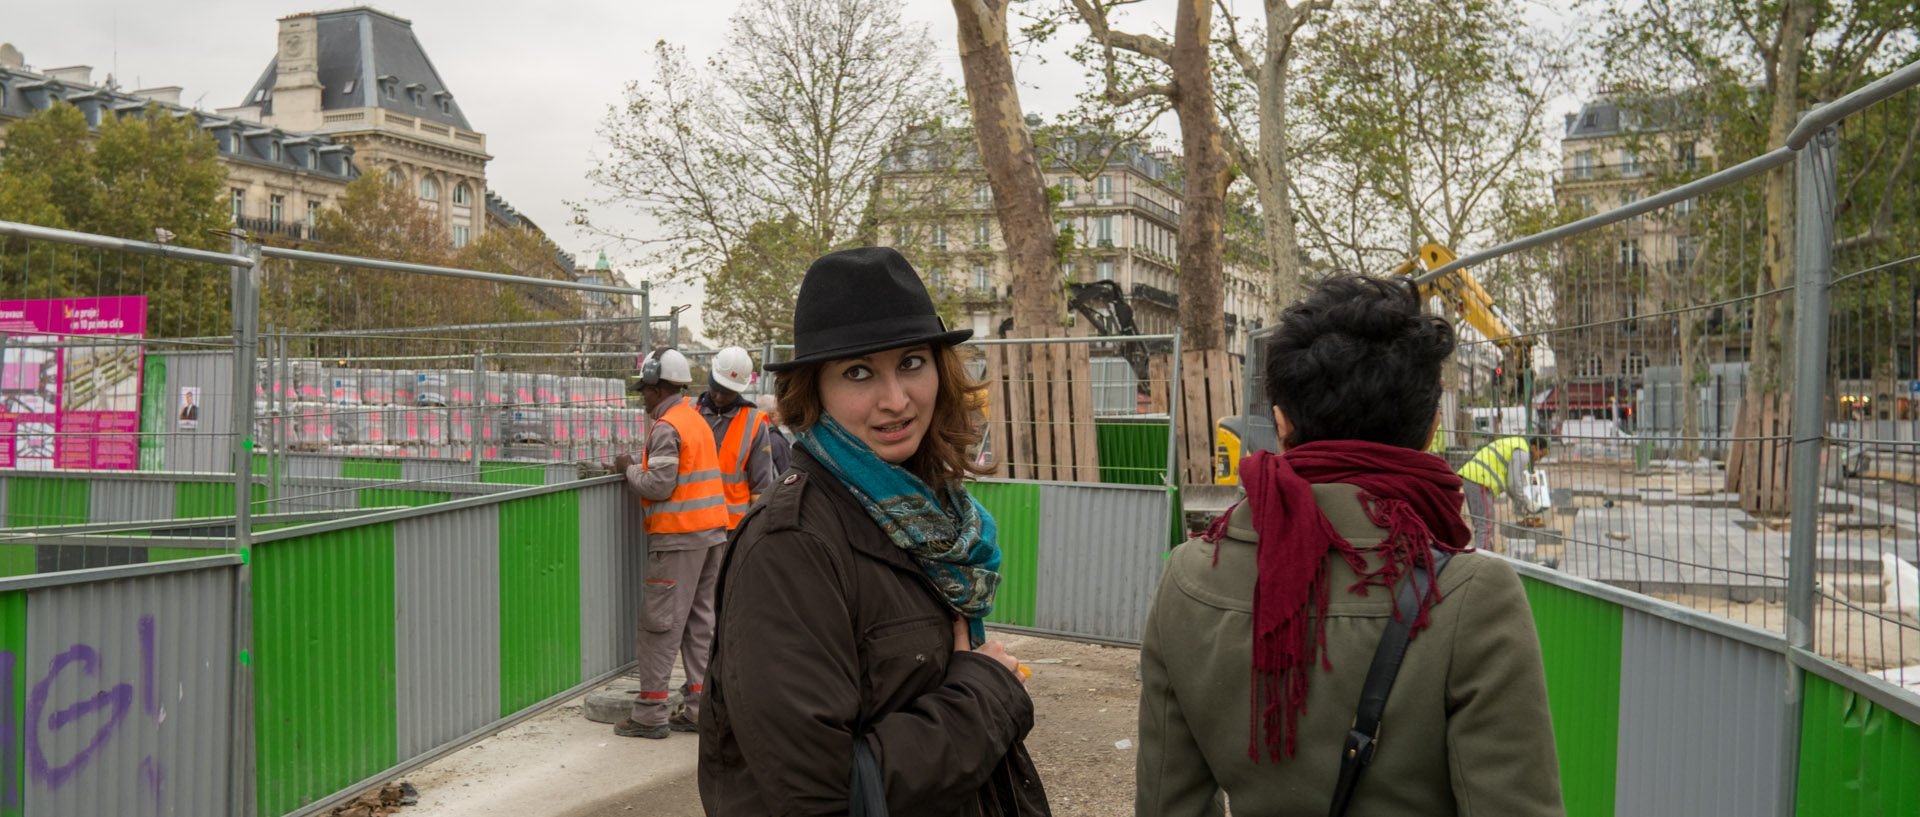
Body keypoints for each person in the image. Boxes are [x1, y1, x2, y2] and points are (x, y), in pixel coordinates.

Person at [1136, 275, 1563, 816]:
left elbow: (1165, 803)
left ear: (1282, 422)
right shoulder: (1474, 595)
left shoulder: (1186, 577)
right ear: (1432, 427)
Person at [698, 247, 1049, 816]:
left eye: (911, 362)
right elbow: (820, 794)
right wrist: (984, 694)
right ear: (815, 391)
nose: (896, 399)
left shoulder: (922, 517)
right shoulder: (791, 548)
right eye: (858, 372)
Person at [611, 347, 730, 740]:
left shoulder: (667, 427)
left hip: (678, 536)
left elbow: (659, 485)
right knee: (700, 624)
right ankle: (698, 708)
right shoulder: (694, 420)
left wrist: (628, 468)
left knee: (660, 626)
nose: (641, 397)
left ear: (659, 387)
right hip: (712, 534)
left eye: (644, 390)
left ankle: (649, 712)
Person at [1457, 434, 1549, 551]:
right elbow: (1513, 484)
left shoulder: (1515, 445)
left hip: (1474, 478)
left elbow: (1510, 486)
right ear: (1534, 448)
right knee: (1485, 527)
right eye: (1540, 455)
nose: (1538, 459)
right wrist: (1527, 502)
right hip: (1480, 480)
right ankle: (1483, 562)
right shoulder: (1522, 453)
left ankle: (1485, 557)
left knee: (1482, 526)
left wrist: (1521, 503)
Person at [753, 392, 793, 475]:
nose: (783, 415)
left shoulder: (749, 436)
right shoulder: (776, 441)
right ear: (773, 415)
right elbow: (786, 473)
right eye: (780, 411)